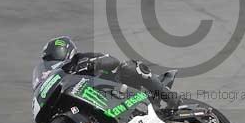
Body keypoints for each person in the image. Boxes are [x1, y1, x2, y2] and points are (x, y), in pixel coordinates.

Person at [36, 36, 173, 109]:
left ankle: (172, 99)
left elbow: (112, 61)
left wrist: (91, 64)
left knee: (131, 67)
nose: (54, 60)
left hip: (115, 87)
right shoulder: (59, 78)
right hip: (94, 100)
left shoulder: (83, 58)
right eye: (51, 58)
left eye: (56, 54)